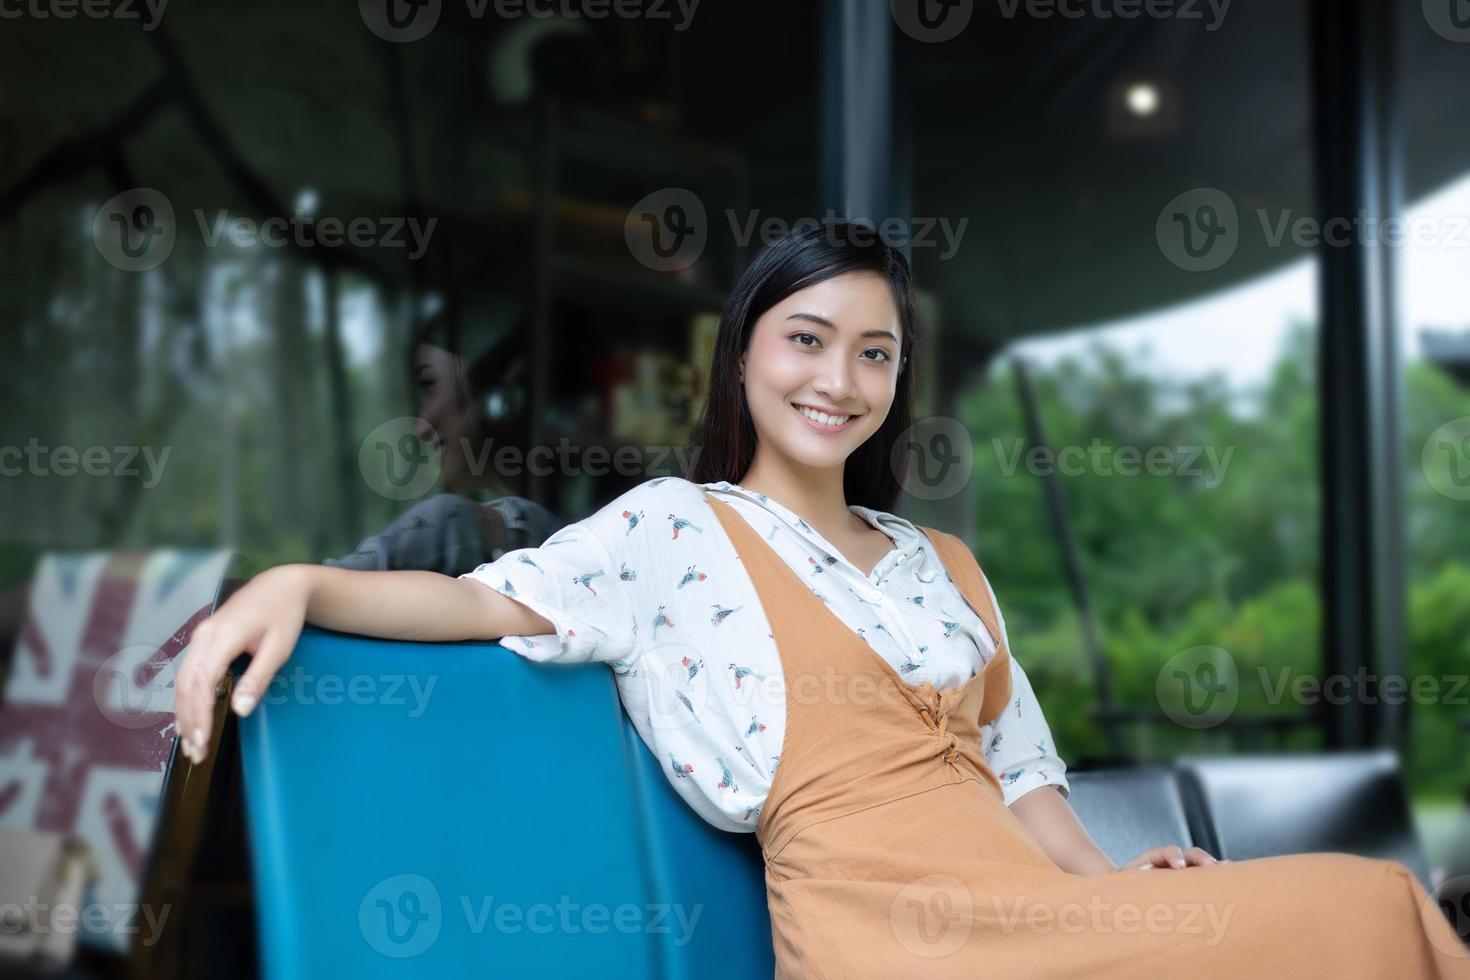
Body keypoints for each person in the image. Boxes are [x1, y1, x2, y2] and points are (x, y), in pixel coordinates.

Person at [172, 223, 1470, 977]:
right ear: (743, 353)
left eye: (874, 352)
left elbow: (1025, 786)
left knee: (1363, 908)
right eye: (806, 338)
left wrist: (1125, 885)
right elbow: (475, 605)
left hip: (1042, 921)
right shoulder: (670, 532)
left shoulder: (943, 564)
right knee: (1364, 917)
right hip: (890, 942)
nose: (837, 378)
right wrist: (295, 581)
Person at [324, 309, 562, 576]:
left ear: (499, 397)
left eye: (430, 386)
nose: (420, 428)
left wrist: (450, 523)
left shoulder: (566, 546)